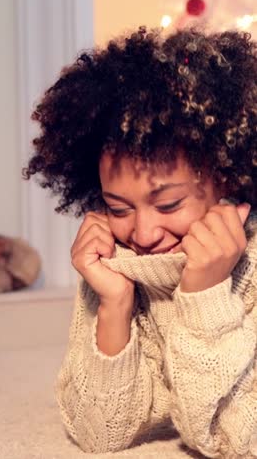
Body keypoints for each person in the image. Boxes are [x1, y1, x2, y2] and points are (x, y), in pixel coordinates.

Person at [22, 27, 257, 457]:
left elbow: (237, 441)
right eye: (119, 207)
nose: (144, 235)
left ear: (226, 178)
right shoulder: (121, 262)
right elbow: (100, 433)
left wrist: (205, 296)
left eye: (168, 205)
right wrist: (114, 303)